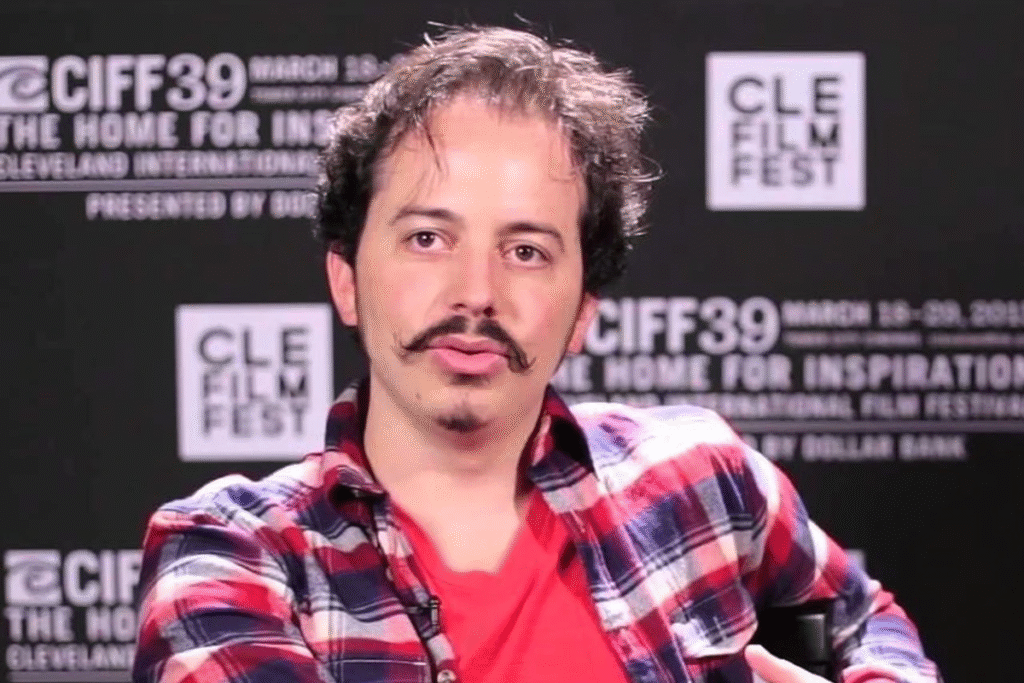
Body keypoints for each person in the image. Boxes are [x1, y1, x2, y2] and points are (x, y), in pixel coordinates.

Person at [133, 26, 940, 683]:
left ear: (583, 309)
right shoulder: (230, 558)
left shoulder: (697, 473)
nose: (475, 292)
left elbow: (866, 621)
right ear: (346, 280)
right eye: (428, 238)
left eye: (526, 251)